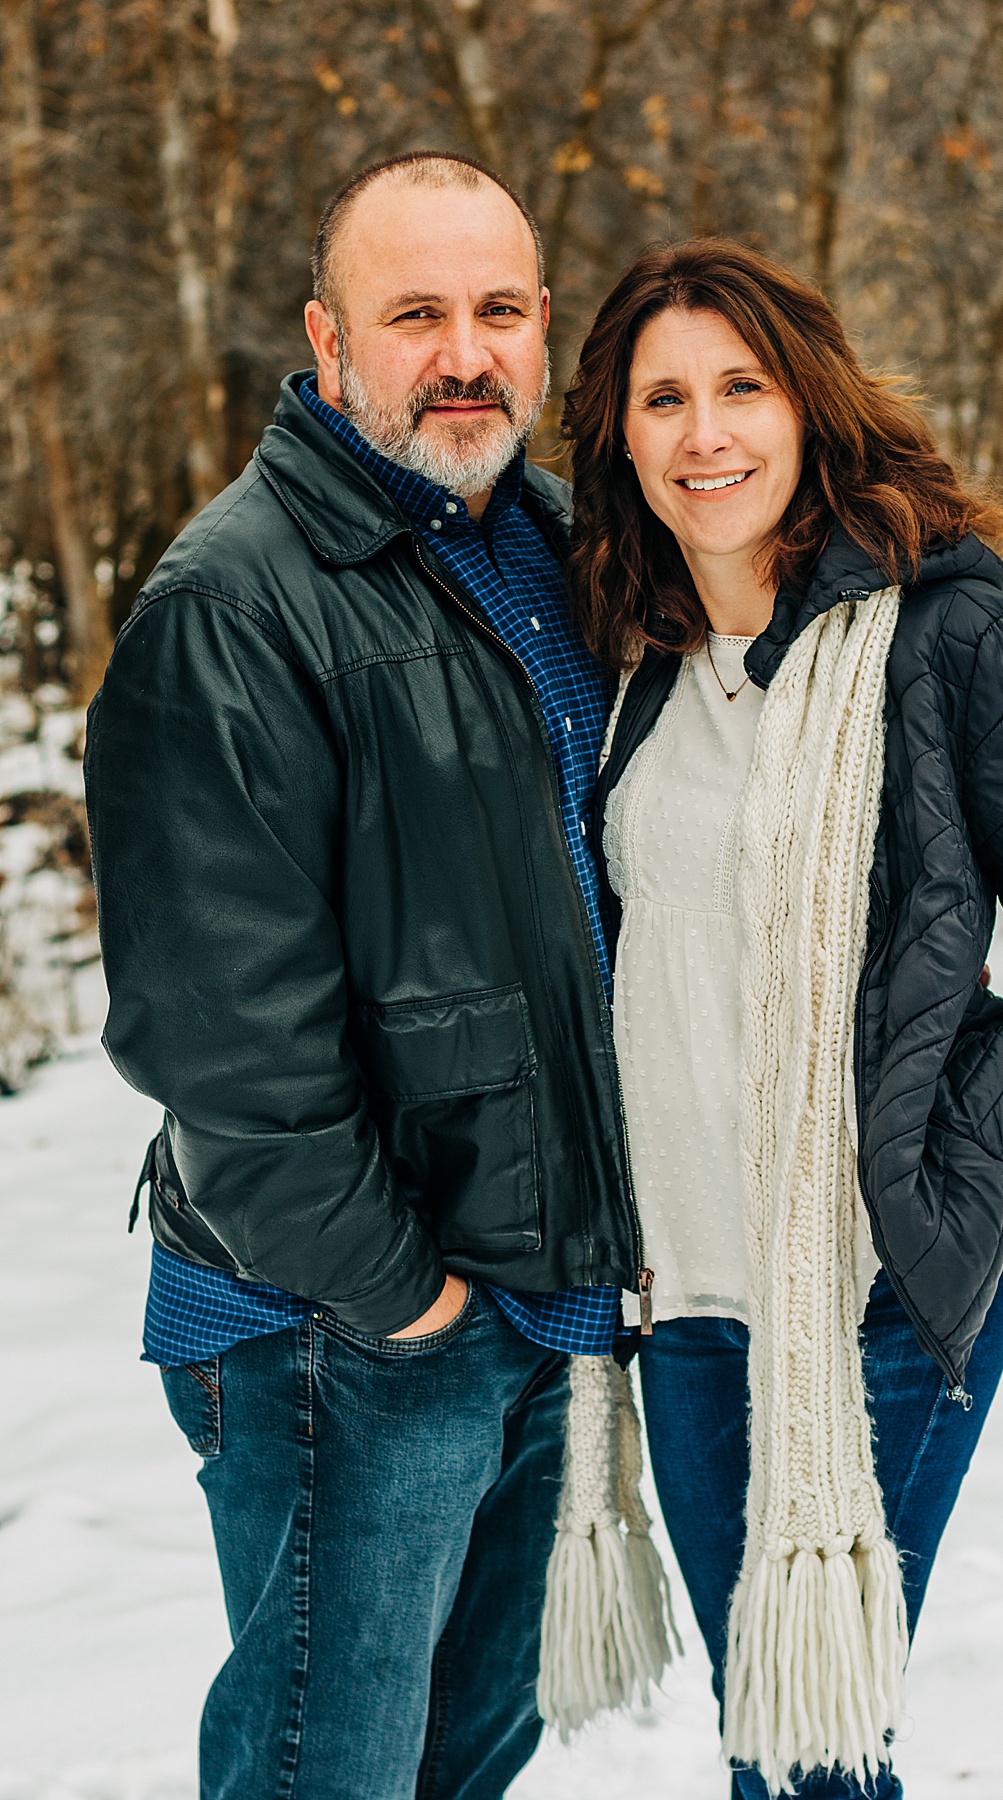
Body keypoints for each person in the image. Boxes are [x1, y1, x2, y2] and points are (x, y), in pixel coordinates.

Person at [544, 239, 1003, 1798]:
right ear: (621, 436)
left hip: (881, 1292)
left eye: (741, 389)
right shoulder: (624, 661)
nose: (706, 434)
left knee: (812, 1746)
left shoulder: (944, 642)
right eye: (665, 398)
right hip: (685, 1297)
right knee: (770, 1741)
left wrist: (971, 1158)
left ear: (808, 401)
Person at [84, 153, 649, 1800]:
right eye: (416, 314)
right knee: (325, 1776)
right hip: (343, 1321)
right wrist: (402, 1298)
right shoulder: (234, 602)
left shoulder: (559, 553)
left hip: (543, 1306)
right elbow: (219, 1033)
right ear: (330, 344)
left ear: (543, 334)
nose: (462, 352)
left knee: (466, 1763)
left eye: (496, 311)